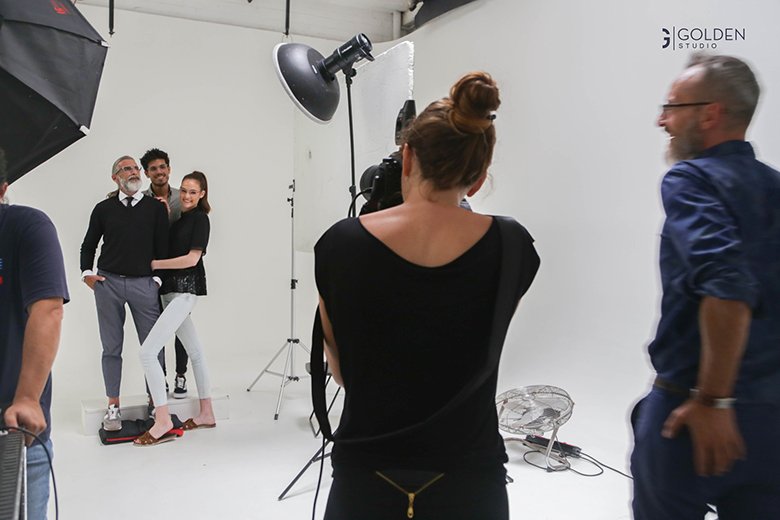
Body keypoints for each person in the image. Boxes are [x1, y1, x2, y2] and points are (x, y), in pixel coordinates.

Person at [313, 72, 540, 519]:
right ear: (479, 177)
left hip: (365, 478)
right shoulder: (513, 246)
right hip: (471, 482)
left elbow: (340, 374)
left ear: (407, 157)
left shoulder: (340, 243)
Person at [631, 53, 780, 519]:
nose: (662, 120)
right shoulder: (775, 187)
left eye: (672, 107)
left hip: (695, 415)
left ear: (710, 114)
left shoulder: (690, 179)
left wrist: (714, 400)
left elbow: (727, 284)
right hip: (770, 422)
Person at [0, 148, 68, 520]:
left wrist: (28, 397)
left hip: (13, 429)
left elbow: (47, 309)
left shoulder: (26, 227)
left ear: (3, 188)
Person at [80, 155, 169, 431]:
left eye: (135, 168)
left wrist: (156, 281)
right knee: (111, 347)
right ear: (115, 177)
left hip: (144, 284)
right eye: (126, 169)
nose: (133, 172)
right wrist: (87, 274)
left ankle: (156, 402)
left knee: (153, 347)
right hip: (109, 284)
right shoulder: (103, 209)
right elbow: (89, 244)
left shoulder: (155, 208)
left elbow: (163, 247)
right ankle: (113, 407)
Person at [135, 171, 216, 446]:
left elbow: (192, 259)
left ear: (202, 194)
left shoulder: (201, 219)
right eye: (184, 191)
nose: (187, 196)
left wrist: (154, 265)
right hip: (169, 292)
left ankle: (163, 420)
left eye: (193, 192)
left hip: (185, 291)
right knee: (196, 353)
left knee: (147, 353)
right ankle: (207, 413)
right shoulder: (179, 219)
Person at [141, 147, 189, 399]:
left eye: (162, 167)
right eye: (153, 169)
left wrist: (168, 217)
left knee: (181, 325)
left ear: (169, 169)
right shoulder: (141, 200)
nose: (159, 172)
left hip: (180, 269)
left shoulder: (183, 197)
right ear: (146, 174)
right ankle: (159, 378)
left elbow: (192, 228)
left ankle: (181, 374)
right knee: (155, 327)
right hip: (153, 270)